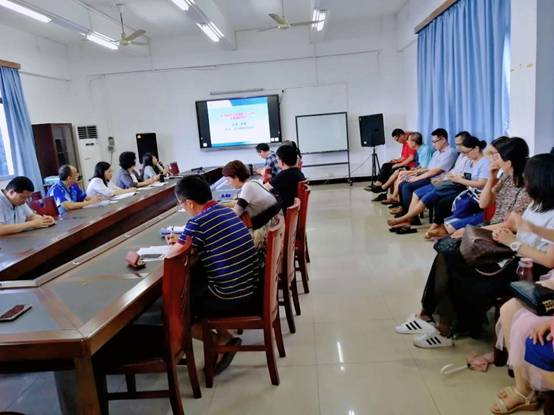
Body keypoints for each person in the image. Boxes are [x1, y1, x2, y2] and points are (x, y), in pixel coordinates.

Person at [394, 137, 534, 347]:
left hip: (502, 238)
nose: (492, 160)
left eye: (496, 156)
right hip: (491, 229)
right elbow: (484, 203)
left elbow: (511, 226)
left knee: (450, 255)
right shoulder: (506, 177)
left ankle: (439, 323)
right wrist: (492, 176)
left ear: (509, 160)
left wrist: (472, 230)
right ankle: (429, 316)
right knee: (445, 252)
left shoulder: (526, 188)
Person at [165, 175, 262, 374]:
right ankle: (225, 337)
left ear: (189, 203)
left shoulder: (197, 223)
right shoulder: (225, 210)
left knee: (180, 311)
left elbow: (174, 255)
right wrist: (185, 241)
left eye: (181, 204)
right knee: (196, 282)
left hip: (232, 296)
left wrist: (179, 242)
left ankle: (219, 341)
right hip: (251, 286)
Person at [388, 135, 489, 234]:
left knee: (433, 195)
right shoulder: (445, 154)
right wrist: (416, 172)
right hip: (449, 181)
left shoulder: (455, 154)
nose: (461, 150)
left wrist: (456, 179)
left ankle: (411, 220)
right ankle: (408, 219)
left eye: (461, 147)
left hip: (458, 185)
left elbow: (478, 182)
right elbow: (447, 171)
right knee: (409, 187)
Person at [387, 128, 457, 233]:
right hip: (431, 179)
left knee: (406, 186)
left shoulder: (450, 152)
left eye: (435, 141)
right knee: (404, 185)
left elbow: (435, 171)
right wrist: (413, 173)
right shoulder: (437, 153)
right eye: (432, 142)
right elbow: (428, 168)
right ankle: (409, 218)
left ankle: (408, 219)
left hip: (437, 181)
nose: (433, 144)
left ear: (443, 139)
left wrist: (416, 177)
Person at [377, 132, 435, 203]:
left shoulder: (425, 150)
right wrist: (415, 168)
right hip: (419, 171)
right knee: (399, 173)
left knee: (401, 175)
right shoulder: (421, 149)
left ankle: (394, 197)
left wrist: (412, 171)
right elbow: (422, 164)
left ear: (413, 142)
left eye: (408, 140)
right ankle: (394, 197)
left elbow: (426, 169)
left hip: (426, 175)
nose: (407, 142)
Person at [222, 160, 281, 230]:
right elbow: (241, 203)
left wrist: (220, 211)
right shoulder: (254, 182)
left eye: (228, 180)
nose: (228, 183)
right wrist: (222, 204)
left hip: (264, 230)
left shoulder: (247, 187)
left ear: (236, 177)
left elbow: (236, 213)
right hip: (274, 223)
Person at [366, 128, 415, 193]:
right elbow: (403, 157)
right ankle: (378, 183)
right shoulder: (404, 142)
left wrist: (399, 164)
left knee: (392, 169)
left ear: (402, 135)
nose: (397, 142)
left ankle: (383, 189)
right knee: (385, 165)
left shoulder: (410, 141)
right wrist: (396, 160)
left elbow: (411, 158)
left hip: (409, 165)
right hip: (404, 162)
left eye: (397, 139)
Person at [265, 144, 306, 212]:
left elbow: (263, 188)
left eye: (277, 159)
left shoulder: (284, 175)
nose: (277, 161)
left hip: (284, 210)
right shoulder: (298, 172)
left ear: (282, 161)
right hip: (292, 209)